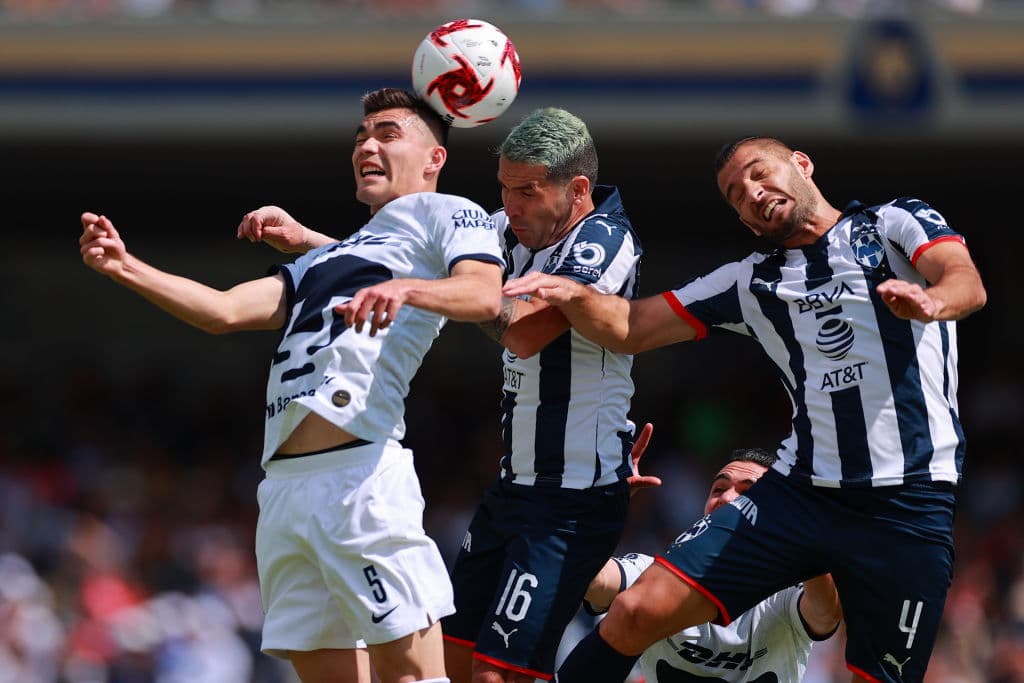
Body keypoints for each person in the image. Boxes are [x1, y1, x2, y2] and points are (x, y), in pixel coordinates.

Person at [504, 136, 987, 683]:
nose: (753, 194)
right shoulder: (748, 281)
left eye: (760, 174)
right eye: (737, 195)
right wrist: (573, 293)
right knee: (636, 611)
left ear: (801, 163)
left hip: (909, 501)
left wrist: (933, 301)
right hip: (799, 493)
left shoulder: (892, 222)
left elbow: (965, 279)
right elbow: (631, 327)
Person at [79, 87, 505, 683]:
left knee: (410, 676)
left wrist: (406, 290)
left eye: (388, 133)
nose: (367, 144)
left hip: (360, 482)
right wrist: (124, 265)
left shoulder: (449, 211)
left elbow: (483, 294)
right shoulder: (327, 258)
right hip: (282, 492)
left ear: (434, 159)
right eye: (361, 135)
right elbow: (222, 311)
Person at [238, 107, 648, 683]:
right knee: (449, 665)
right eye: (504, 190)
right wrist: (310, 241)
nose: (510, 207)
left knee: (495, 675)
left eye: (527, 192)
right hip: (514, 486)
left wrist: (427, 291)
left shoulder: (604, 240)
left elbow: (526, 331)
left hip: (570, 495)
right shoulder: (514, 225)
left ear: (576, 190)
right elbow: (402, 270)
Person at [583, 447, 842, 682]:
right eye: (719, 489)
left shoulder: (788, 592)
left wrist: (805, 530)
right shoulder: (652, 575)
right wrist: (601, 511)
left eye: (747, 493)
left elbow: (826, 614)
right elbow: (592, 580)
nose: (727, 499)